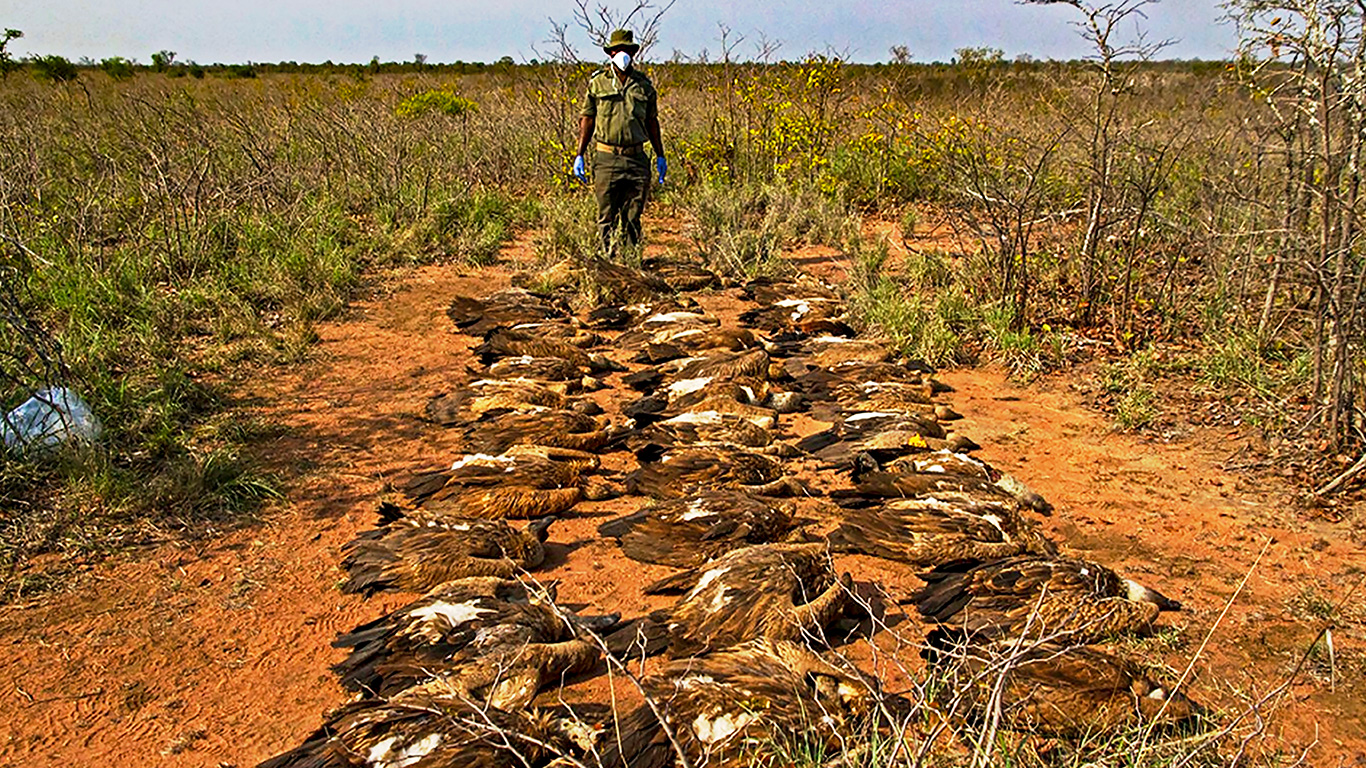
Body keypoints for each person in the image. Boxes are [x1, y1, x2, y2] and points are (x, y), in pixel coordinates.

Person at [573, 29, 666, 256]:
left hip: (637, 158)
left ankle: (632, 263)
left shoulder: (643, 85)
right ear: (610, 52)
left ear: (633, 53)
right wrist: (579, 154)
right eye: (618, 49)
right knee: (607, 216)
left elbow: (652, 122)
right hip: (607, 157)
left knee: (633, 216)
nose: (622, 53)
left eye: (627, 49)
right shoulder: (598, 83)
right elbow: (587, 119)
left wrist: (660, 154)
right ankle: (608, 262)